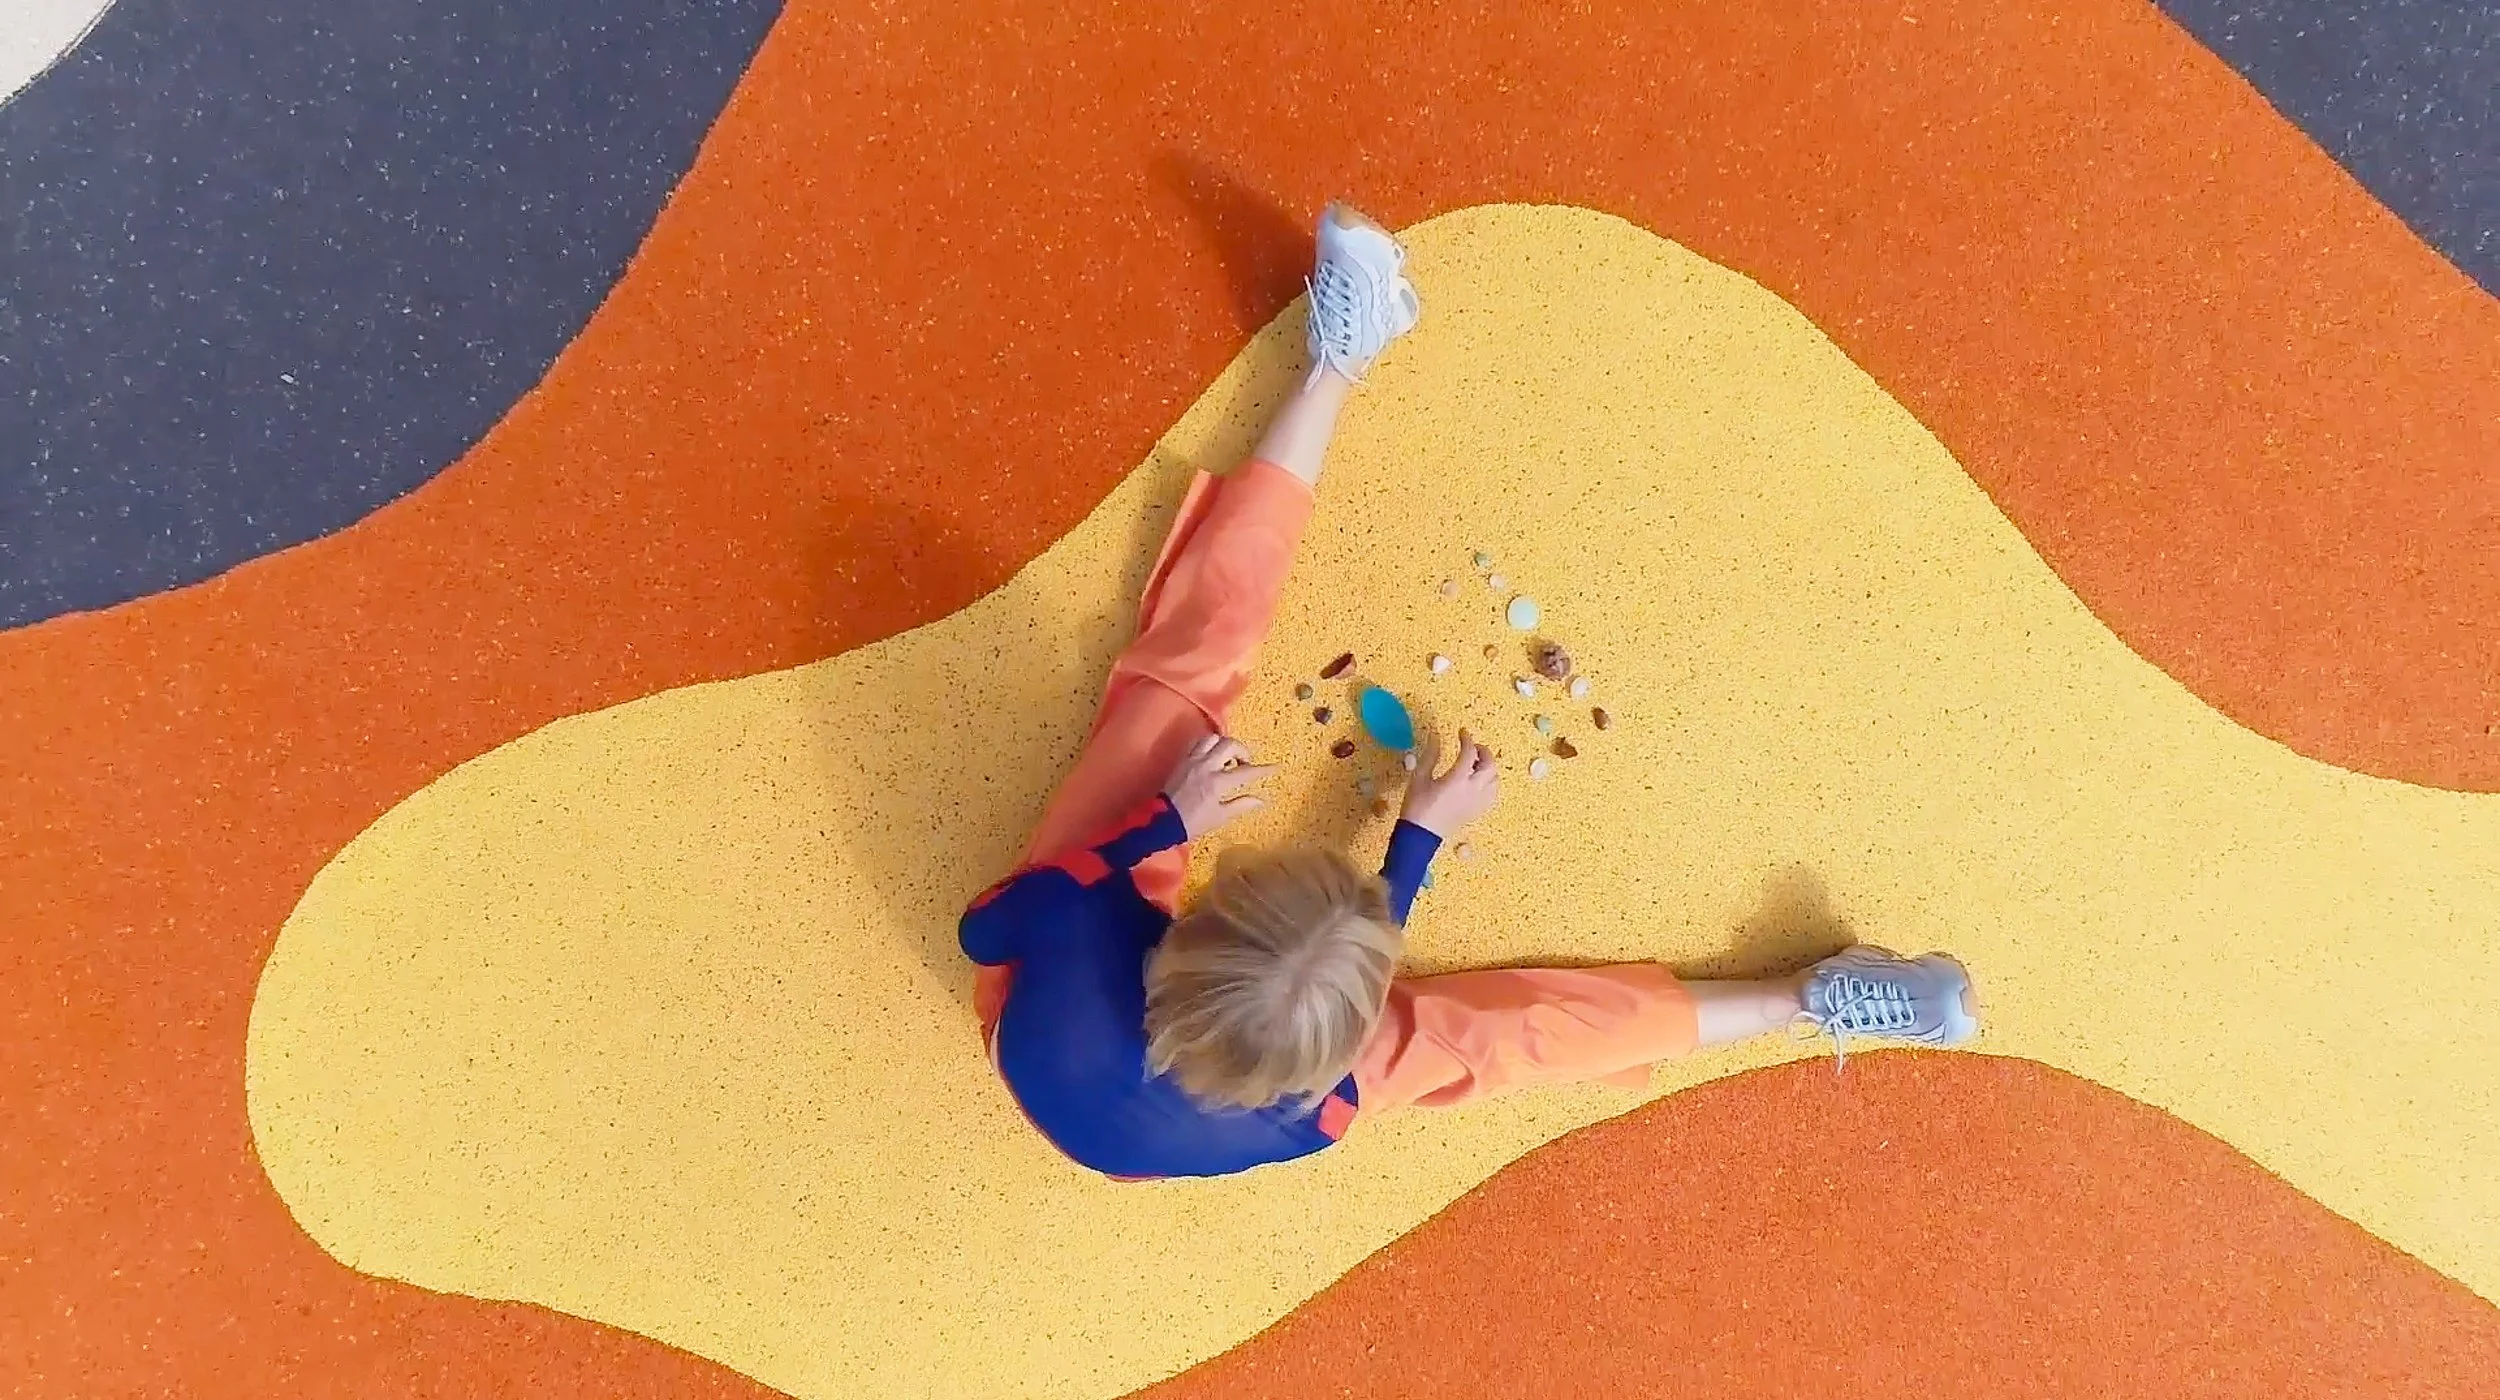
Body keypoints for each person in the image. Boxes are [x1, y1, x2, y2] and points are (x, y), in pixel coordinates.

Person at [959, 203, 1979, 1181]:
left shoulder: (1075, 921)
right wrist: (1413, 843)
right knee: (1501, 1041)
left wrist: (1154, 824)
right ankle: (1802, 998)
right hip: (1136, 1071)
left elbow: (984, 932)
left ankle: (1339, 361)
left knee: (1173, 688)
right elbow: (1354, 1011)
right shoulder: (1315, 1108)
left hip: (1049, 1019)